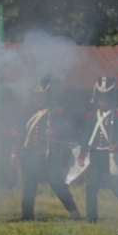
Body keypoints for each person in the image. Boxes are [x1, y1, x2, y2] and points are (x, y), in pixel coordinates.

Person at [77, 77, 118, 222]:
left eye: (105, 99)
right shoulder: (92, 116)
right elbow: (86, 135)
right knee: (91, 186)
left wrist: (117, 144)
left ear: (111, 99)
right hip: (95, 155)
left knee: (116, 187)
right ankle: (91, 217)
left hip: (110, 156)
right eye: (100, 99)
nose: (102, 102)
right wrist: (82, 152)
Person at [21, 75, 81, 220]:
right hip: (32, 155)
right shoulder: (29, 113)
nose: (38, 99)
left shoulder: (55, 112)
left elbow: (68, 129)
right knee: (29, 186)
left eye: (41, 96)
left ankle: (74, 211)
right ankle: (27, 215)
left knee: (57, 184)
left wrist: (53, 132)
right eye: (36, 96)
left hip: (48, 156)